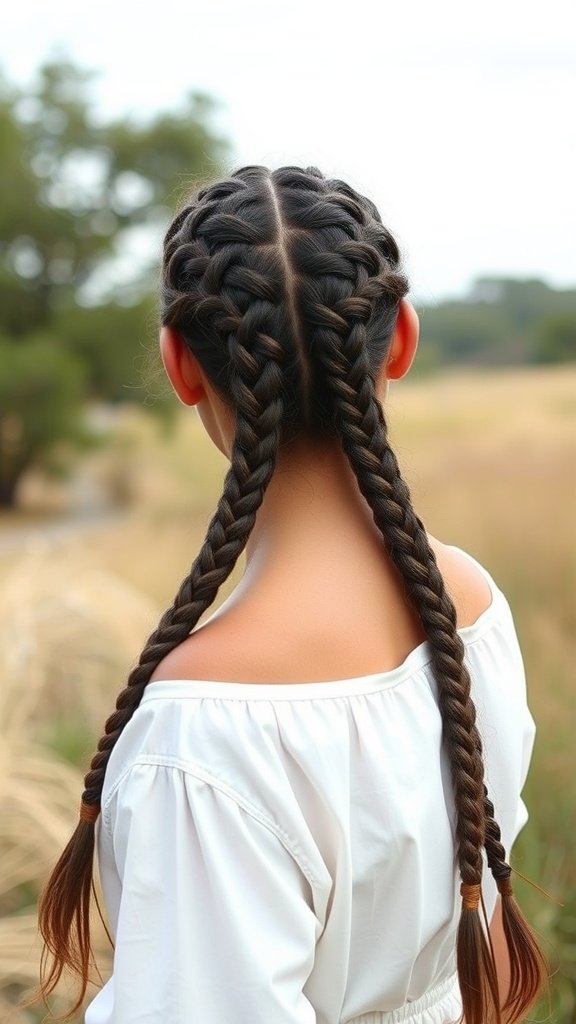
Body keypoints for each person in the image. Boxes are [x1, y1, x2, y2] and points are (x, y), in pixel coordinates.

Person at [37, 164, 547, 1024]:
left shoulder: (201, 734)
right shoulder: (472, 607)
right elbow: (485, 932)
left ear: (179, 365)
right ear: (402, 339)